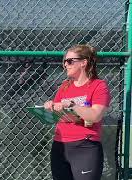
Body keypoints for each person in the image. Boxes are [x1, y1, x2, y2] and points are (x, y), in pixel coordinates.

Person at [43, 44, 111, 180]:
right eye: (64, 62)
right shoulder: (65, 86)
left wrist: (73, 105)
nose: (65, 65)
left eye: (69, 61)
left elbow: (96, 115)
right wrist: (50, 106)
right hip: (60, 145)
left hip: (85, 146)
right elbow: (56, 114)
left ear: (83, 63)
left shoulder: (98, 85)